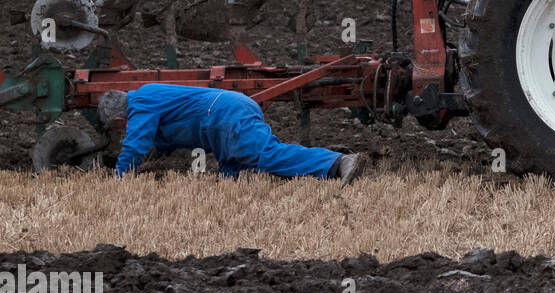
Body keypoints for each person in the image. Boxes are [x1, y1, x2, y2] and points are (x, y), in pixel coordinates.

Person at [97, 84, 362, 185]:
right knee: (231, 179)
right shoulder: (148, 101)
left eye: (121, 127)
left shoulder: (141, 102)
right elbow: (158, 145)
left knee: (266, 154)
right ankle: (322, 175)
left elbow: (135, 146)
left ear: (121, 118)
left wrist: (119, 179)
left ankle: (337, 162)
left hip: (223, 114)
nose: (125, 130)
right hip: (221, 118)